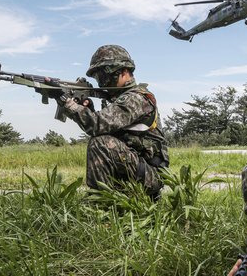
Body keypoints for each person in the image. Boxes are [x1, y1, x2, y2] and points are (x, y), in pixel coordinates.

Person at [61, 45, 169, 199]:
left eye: (105, 76)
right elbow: (108, 127)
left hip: (150, 176)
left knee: (101, 143)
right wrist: (87, 109)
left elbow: (97, 125)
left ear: (124, 71)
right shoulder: (119, 99)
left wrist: (68, 104)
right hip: (138, 168)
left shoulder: (135, 98)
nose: (102, 83)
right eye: (98, 78)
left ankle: (101, 204)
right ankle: (115, 199)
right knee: (103, 140)